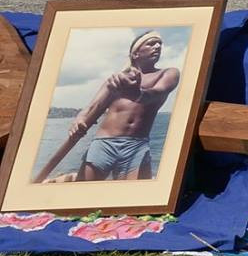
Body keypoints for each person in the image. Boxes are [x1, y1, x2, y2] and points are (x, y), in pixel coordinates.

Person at [32, 32, 181, 182]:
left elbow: (156, 93)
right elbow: (93, 106)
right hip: (104, 142)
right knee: (82, 191)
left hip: (136, 145)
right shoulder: (117, 79)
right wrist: (80, 119)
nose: (157, 46)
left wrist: (137, 93)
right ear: (135, 53)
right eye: (151, 43)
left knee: (131, 197)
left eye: (159, 44)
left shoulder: (169, 73)